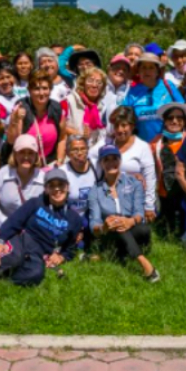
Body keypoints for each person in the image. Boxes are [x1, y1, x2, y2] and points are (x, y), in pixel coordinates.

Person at [0, 169, 83, 286]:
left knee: (35, 274)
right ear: (46, 189)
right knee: (13, 258)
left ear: (67, 187)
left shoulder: (75, 219)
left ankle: (0, 281)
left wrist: (61, 256)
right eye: (52, 185)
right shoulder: (35, 203)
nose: (57, 189)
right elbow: (12, 223)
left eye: (61, 185)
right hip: (21, 239)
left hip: (39, 252)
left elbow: (70, 248)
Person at [90, 145, 159, 282]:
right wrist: (104, 227)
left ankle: (109, 255)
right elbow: (94, 223)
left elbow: (139, 212)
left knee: (140, 228)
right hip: (111, 232)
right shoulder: (95, 191)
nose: (111, 163)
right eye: (106, 160)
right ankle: (145, 265)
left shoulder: (134, 183)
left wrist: (130, 221)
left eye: (114, 159)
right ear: (101, 164)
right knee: (116, 223)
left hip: (135, 230)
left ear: (120, 161)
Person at [98, 107, 158, 222]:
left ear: (132, 125)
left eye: (124, 125)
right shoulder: (107, 144)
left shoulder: (142, 147)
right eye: (116, 126)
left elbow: (150, 177)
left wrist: (149, 206)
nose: (120, 130)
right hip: (110, 197)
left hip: (135, 200)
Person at [5, 70, 66, 164]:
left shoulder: (56, 108)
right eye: (37, 89)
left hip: (49, 162)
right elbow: (11, 140)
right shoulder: (21, 106)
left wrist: (60, 160)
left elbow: (62, 138)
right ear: (29, 90)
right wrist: (15, 120)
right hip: (25, 164)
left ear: (50, 90)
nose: (41, 93)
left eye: (45, 88)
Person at [122, 52, 185, 143]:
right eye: (143, 67)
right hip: (142, 146)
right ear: (139, 71)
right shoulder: (133, 91)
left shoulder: (168, 85)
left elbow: (182, 110)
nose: (147, 71)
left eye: (151, 67)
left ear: (157, 71)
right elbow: (124, 116)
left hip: (169, 143)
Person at [0, 134, 45, 229]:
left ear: (36, 156)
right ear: (15, 154)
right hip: (4, 225)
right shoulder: (4, 173)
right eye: (22, 152)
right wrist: (4, 221)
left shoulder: (44, 178)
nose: (26, 157)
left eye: (30, 153)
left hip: (32, 229)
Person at [151, 102, 186, 233]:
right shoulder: (155, 144)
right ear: (164, 121)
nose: (175, 121)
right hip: (164, 193)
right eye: (170, 118)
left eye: (179, 118)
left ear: (185, 121)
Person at [61, 135, 98, 249]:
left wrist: (137, 177)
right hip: (69, 216)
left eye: (83, 149)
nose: (80, 153)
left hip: (91, 215)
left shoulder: (97, 167)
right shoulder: (62, 172)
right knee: (76, 245)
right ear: (67, 153)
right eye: (75, 150)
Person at [63, 66, 110, 148]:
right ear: (83, 83)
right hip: (72, 150)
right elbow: (59, 126)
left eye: (99, 82)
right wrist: (79, 134)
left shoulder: (103, 107)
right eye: (90, 81)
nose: (94, 85)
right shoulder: (68, 101)